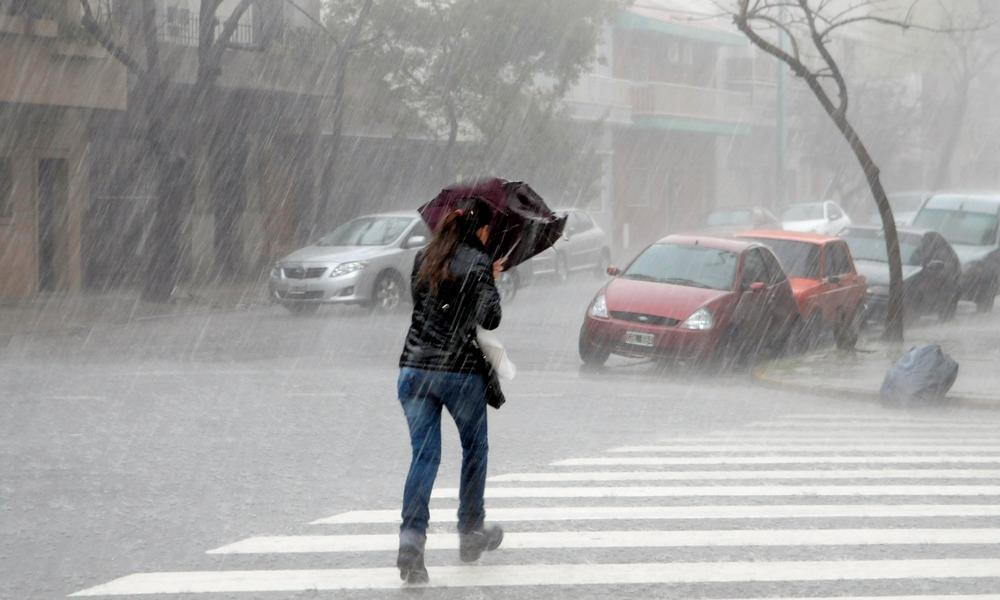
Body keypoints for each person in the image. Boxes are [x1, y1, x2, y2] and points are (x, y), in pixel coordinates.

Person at [396, 196, 505, 584]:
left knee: (423, 458)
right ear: (481, 229)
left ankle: (411, 542)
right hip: (458, 372)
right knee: (475, 448)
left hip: (413, 370)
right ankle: (470, 531)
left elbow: (424, 305)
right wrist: (489, 278)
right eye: (489, 230)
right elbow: (489, 317)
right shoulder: (477, 263)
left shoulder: (422, 258)